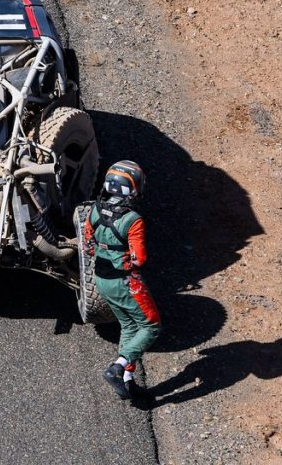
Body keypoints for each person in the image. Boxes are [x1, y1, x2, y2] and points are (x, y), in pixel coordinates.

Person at [83, 160, 161, 399]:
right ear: (133, 188)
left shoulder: (94, 210)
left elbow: (88, 245)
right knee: (151, 326)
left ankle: (127, 380)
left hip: (101, 280)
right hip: (124, 282)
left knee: (128, 325)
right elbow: (139, 258)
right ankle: (117, 368)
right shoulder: (133, 219)